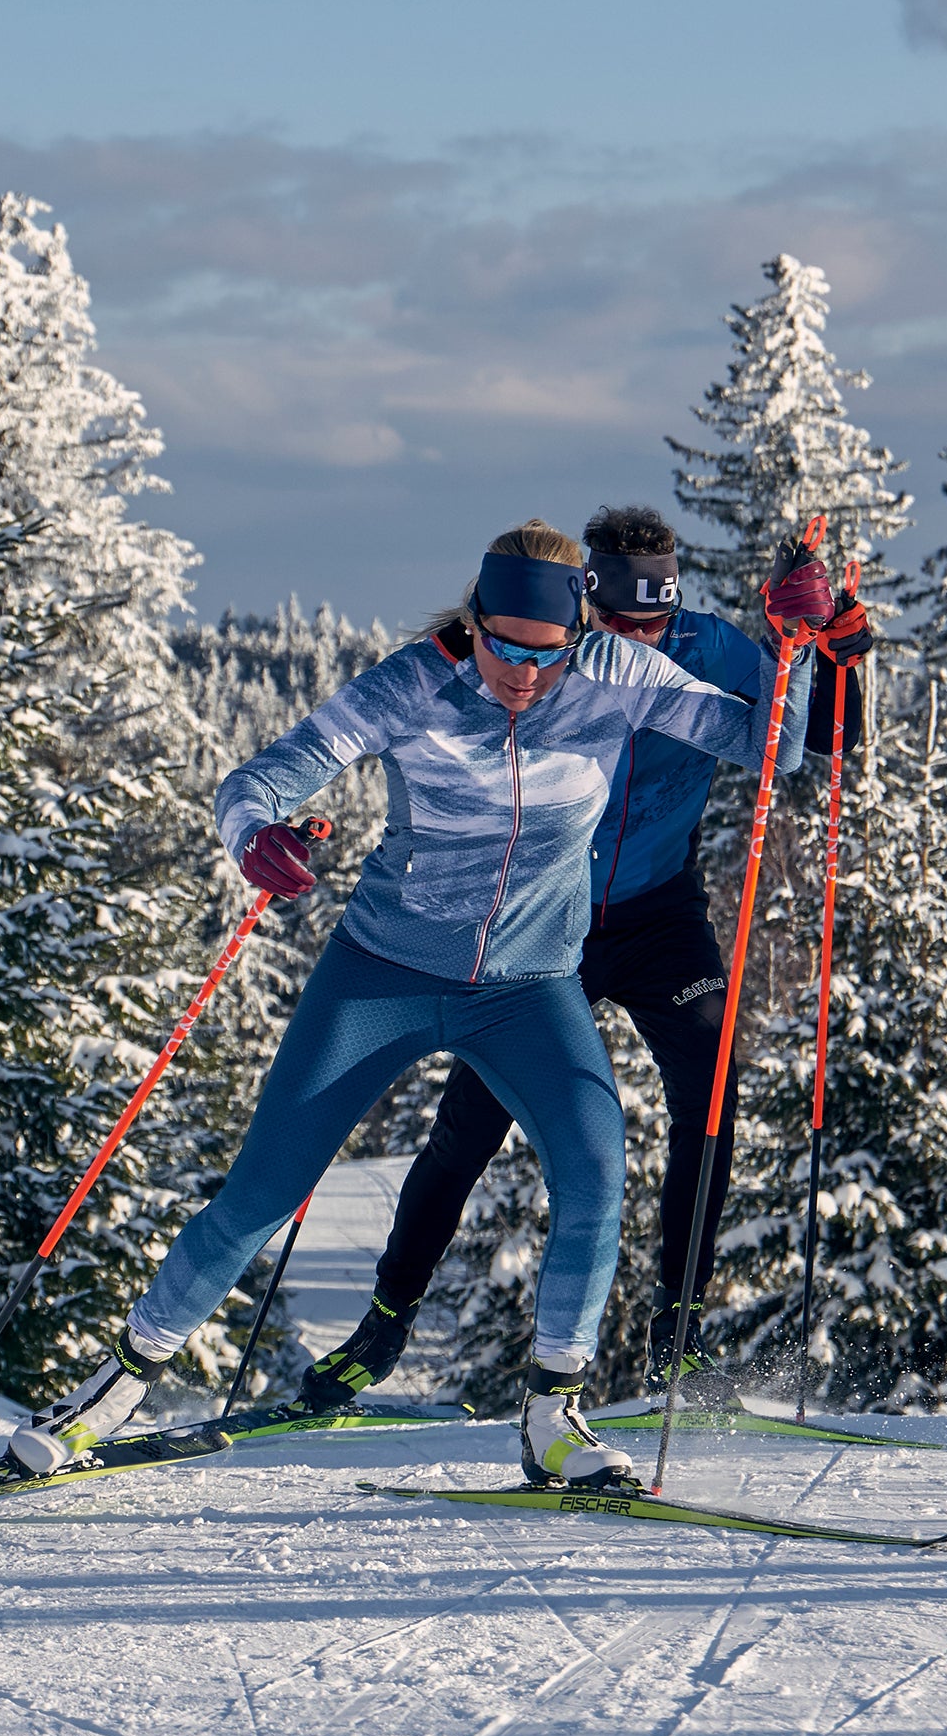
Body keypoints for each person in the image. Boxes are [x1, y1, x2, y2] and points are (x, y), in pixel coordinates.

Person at [10, 518, 840, 1490]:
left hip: (528, 988)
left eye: (547, 653)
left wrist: (801, 650)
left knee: (593, 1170)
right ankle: (112, 1390)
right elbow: (259, 779)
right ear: (473, 621)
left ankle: (552, 1421)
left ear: (578, 630)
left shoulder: (620, 673)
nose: (524, 676)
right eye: (502, 648)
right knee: (262, 1194)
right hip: (385, 976)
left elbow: (777, 750)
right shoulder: (418, 680)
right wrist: (255, 838)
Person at [297, 507, 868, 1413]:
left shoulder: (706, 649)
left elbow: (816, 743)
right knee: (467, 1128)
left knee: (711, 1088)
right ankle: (383, 1323)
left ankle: (675, 1339)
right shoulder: (546, 655)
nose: (633, 640)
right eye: (614, 621)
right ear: (580, 597)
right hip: (539, 918)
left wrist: (829, 640)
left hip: (657, 914)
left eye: (653, 624)